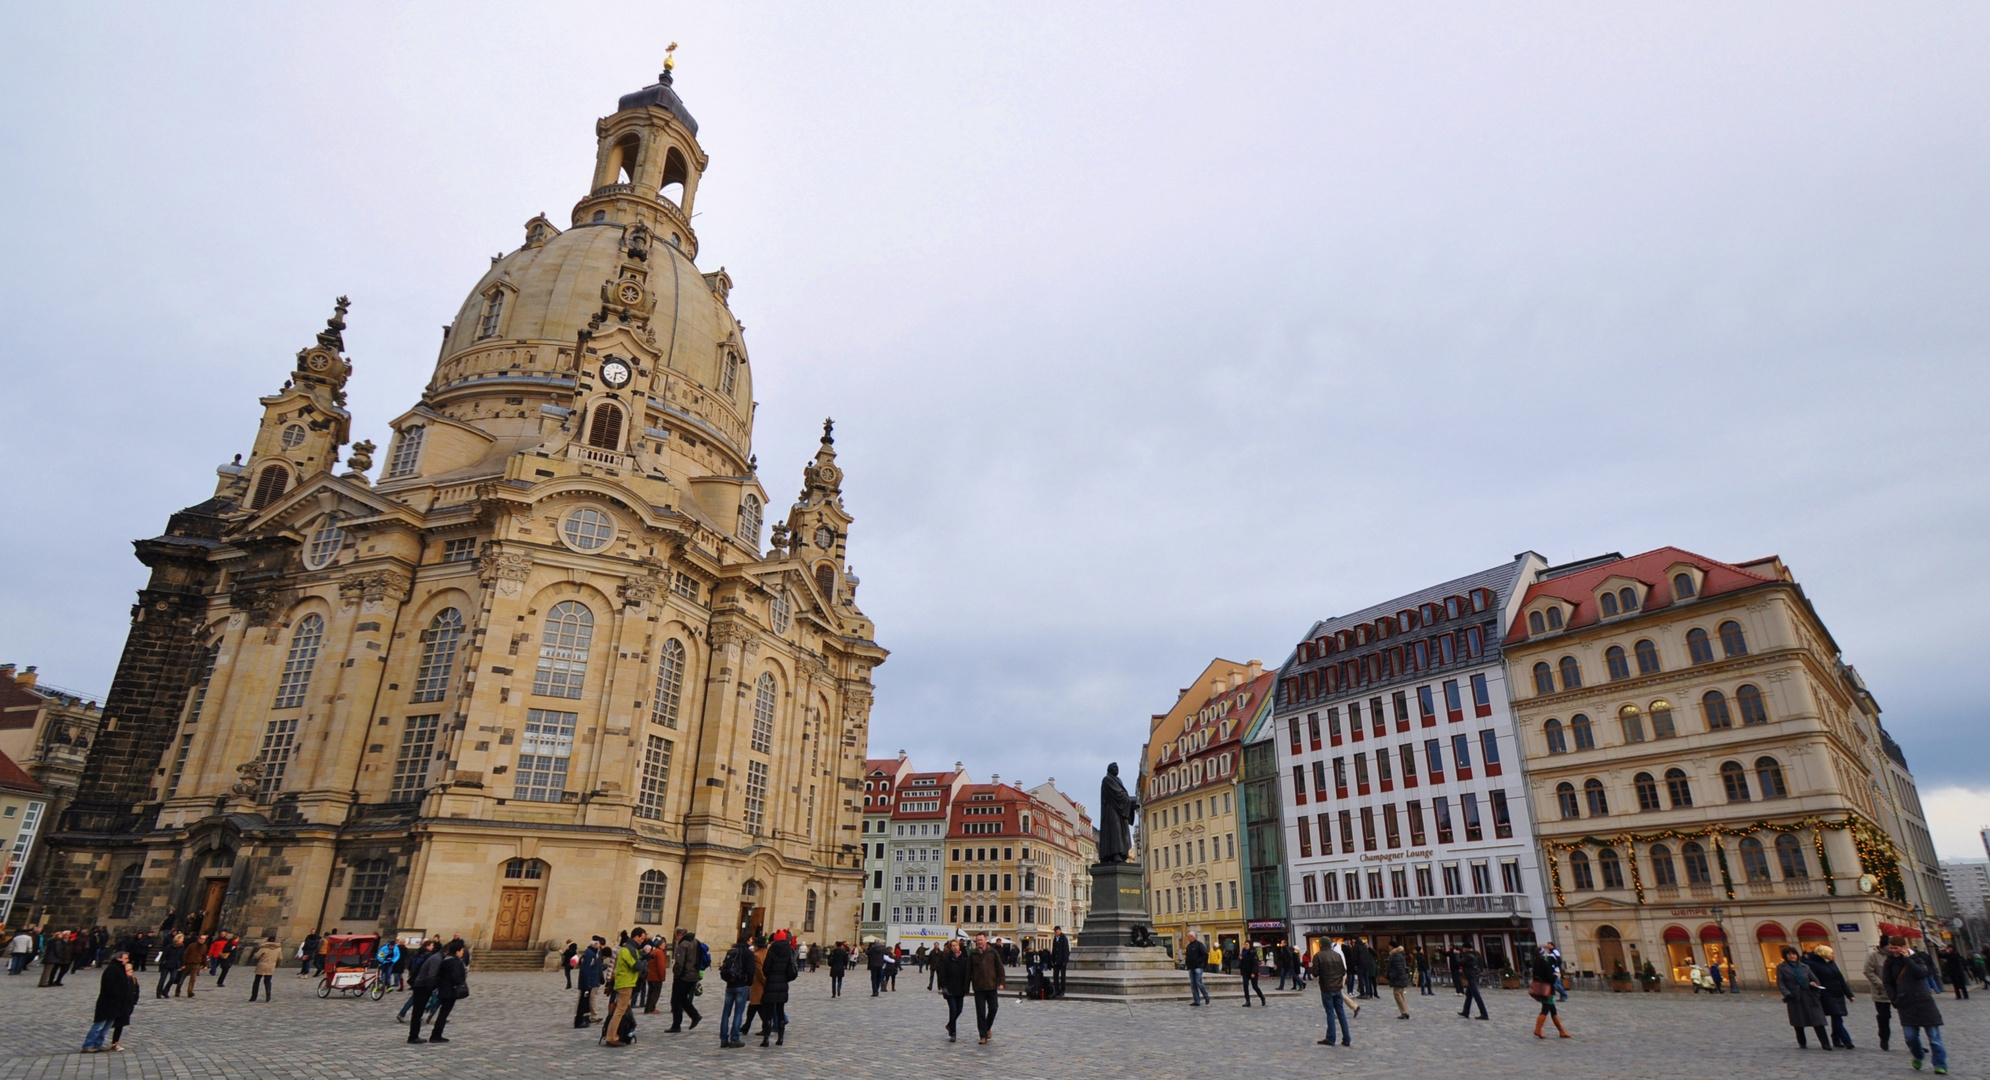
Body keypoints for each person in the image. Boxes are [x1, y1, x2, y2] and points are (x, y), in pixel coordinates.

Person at [1885, 938, 1947, 1074]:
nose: (1893, 951)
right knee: (1910, 1037)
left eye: (1896, 948)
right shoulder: (1889, 962)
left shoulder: (1918, 957)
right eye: (1891, 948)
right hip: (1905, 1003)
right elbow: (1888, 983)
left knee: (1934, 1038)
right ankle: (1918, 1056)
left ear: (1903, 947)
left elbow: (1922, 973)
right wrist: (1894, 999)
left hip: (1924, 1002)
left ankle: (1940, 1064)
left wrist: (1908, 959)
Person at [1775, 944, 1830, 1050]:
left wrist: (1814, 986)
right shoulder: (1782, 968)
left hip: (1809, 996)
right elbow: (1780, 983)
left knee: (1818, 1021)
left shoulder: (1805, 966)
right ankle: (1802, 1042)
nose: (1792, 956)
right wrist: (1787, 994)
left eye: (1794, 954)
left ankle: (1825, 1043)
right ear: (1785, 956)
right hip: (1795, 997)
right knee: (1799, 1022)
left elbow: (1814, 979)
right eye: (1789, 954)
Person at [82, 951, 139, 1053]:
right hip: (108, 1002)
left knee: (106, 1027)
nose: (127, 960)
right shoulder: (112, 969)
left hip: (116, 1003)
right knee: (99, 1026)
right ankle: (88, 1045)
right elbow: (109, 986)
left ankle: (98, 1044)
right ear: (119, 958)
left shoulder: (120, 969)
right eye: (125, 958)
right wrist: (118, 995)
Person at [1804, 944, 1856, 1049]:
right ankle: (1847, 1040)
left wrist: (1849, 994)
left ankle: (1836, 1039)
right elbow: (1811, 978)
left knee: (1837, 1017)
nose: (1832, 955)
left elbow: (1841, 980)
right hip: (1826, 994)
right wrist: (1813, 985)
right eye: (1830, 953)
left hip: (1838, 994)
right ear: (1824, 954)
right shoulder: (1814, 965)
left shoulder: (1832, 964)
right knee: (1837, 1016)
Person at [602, 928, 647, 1048]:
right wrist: (644, 961)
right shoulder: (627, 950)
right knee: (619, 1011)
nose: (642, 941)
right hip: (625, 983)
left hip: (627, 982)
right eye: (641, 938)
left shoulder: (631, 949)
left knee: (623, 1010)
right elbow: (636, 966)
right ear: (636, 937)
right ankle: (611, 1037)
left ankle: (621, 1032)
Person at [760, 929, 799, 1046]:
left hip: (771, 983)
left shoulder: (772, 949)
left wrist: (770, 976)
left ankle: (766, 1039)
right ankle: (780, 1038)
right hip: (783, 984)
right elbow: (790, 968)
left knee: (768, 1012)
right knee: (780, 1011)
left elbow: (766, 968)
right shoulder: (788, 950)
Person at [719, 935, 757, 1048]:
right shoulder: (748, 953)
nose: (751, 941)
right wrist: (749, 983)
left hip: (730, 985)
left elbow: (724, 967)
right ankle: (734, 1038)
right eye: (751, 939)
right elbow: (751, 970)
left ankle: (723, 1038)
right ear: (746, 940)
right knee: (738, 1013)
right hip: (742, 985)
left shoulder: (732, 951)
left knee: (726, 1012)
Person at [968, 931, 1005, 1044]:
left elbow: (1000, 968)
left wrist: (1001, 982)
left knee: (994, 1008)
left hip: (991, 985)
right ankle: (982, 1035)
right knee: (980, 1012)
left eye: (981, 940)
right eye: (978, 940)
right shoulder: (973, 954)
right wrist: (965, 987)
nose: (979, 942)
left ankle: (987, 1027)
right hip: (978, 987)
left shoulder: (993, 952)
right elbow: (968, 971)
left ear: (986, 940)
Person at [1311, 942, 1351, 1047]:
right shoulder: (1337, 955)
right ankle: (1347, 1038)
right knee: (1341, 1012)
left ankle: (1330, 1038)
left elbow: (1315, 973)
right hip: (1337, 987)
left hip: (1326, 987)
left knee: (1330, 1013)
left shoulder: (1318, 956)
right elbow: (1343, 971)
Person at [1529, 949, 1571, 1039]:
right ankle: (1538, 1029)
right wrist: (1556, 975)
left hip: (1541, 989)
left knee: (1553, 1011)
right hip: (1547, 990)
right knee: (1545, 1009)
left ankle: (1562, 1031)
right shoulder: (1545, 963)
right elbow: (1550, 978)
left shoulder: (1536, 963)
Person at [667, 929, 703, 1032]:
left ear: (680, 935)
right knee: (682, 998)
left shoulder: (683, 945)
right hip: (693, 975)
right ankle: (693, 1016)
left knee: (676, 1000)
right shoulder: (696, 941)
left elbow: (679, 963)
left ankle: (679, 1024)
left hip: (684, 976)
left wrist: (676, 975)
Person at [1863, 938, 1895, 1051]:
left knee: (1907, 1017)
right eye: (1889, 946)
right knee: (1884, 1016)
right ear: (1884, 946)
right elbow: (1868, 971)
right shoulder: (1873, 956)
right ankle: (1884, 1038)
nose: (1891, 948)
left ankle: (1913, 1042)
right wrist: (1880, 984)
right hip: (1881, 992)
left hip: (1898, 991)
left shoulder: (1896, 955)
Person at [936, 938, 970, 1042]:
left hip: (960, 989)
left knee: (959, 1010)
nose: (955, 947)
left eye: (956, 945)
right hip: (950, 989)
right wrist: (943, 987)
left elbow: (967, 975)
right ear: (950, 948)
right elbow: (941, 974)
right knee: (953, 1010)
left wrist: (966, 987)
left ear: (959, 946)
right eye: (953, 946)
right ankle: (953, 1032)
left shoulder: (964, 960)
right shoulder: (946, 959)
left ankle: (949, 1025)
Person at [574, 938, 604, 1027]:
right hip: (587, 982)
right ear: (595, 944)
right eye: (598, 944)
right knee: (583, 1002)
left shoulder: (592, 953)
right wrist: (587, 984)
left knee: (586, 1002)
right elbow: (586, 970)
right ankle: (579, 1020)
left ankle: (584, 1019)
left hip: (591, 981)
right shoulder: (589, 954)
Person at [1457, 943, 1488, 1020]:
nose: (1463, 949)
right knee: (1469, 995)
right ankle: (1466, 1011)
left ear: (1466, 948)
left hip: (1472, 977)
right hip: (1475, 976)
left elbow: (1460, 962)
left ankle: (1484, 1014)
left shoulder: (1469, 956)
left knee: (1477, 996)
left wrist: (1457, 955)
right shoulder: (1476, 954)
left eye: (1464, 948)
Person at [249, 937, 282, 1001]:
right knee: (268, 981)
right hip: (271, 966)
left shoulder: (264, 948)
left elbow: (257, 956)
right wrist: (276, 964)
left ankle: (253, 997)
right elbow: (280, 958)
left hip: (262, 965)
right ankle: (268, 994)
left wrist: (255, 955)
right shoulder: (278, 949)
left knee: (257, 981)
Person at [1184, 931, 1210, 1006]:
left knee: (1198, 982)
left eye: (1189, 937)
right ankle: (1196, 1000)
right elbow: (1187, 956)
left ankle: (1206, 996)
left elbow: (1205, 954)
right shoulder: (1189, 946)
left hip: (1198, 967)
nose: (1188, 938)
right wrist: (1187, 964)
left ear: (1193, 937)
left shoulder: (1199, 945)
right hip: (1191, 967)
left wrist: (1200, 962)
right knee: (1193, 984)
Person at [152, 931, 182, 998]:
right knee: (162, 979)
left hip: (175, 965)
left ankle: (165, 991)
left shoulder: (182, 947)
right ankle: (159, 992)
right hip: (166, 965)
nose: (180, 943)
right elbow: (164, 956)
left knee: (173, 978)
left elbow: (181, 956)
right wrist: (164, 962)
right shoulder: (169, 947)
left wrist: (181, 964)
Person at [1386, 944, 1411, 1019]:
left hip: (1398, 978)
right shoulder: (1399, 954)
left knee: (1397, 994)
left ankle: (1404, 1012)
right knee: (1400, 994)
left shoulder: (1396, 955)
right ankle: (1405, 1010)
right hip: (1401, 977)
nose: (1389, 947)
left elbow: (1398, 968)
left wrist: (1393, 976)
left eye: (1390, 946)